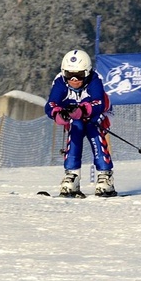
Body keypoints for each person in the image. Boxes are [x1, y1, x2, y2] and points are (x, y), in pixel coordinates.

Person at [44, 49, 116, 197]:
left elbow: (99, 103)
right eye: (70, 75)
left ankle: (105, 175)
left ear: (88, 73)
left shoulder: (95, 79)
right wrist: (58, 114)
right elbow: (50, 104)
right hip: (75, 116)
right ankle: (72, 174)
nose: (74, 79)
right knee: (75, 128)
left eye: (80, 75)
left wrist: (82, 110)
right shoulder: (60, 82)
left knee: (92, 129)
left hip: (99, 113)